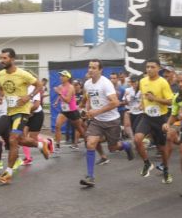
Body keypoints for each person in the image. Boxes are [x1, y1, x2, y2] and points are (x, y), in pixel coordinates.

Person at [0, 48, 51, 184]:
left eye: (5, 58)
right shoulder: (1, 74)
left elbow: (39, 86)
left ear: (12, 59)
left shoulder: (22, 74)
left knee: (13, 139)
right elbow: (1, 88)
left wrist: (29, 96)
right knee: (18, 140)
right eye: (1, 58)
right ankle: (40, 145)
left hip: (23, 111)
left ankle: (8, 173)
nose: (2, 61)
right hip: (10, 112)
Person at [79, 59, 134, 187]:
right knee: (90, 143)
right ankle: (90, 177)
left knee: (113, 148)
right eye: (89, 67)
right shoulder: (87, 84)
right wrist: (85, 109)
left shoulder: (106, 83)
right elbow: (87, 98)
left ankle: (126, 146)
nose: (90, 70)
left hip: (111, 121)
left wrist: (97, 111)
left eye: (94, 68)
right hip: (97, 121)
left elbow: (115, 102)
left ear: (100, 70)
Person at [134, 59, 174, 183]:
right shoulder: (142, 81)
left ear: (158, 68)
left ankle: (166, 170)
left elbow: (170, 101)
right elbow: (143, 97)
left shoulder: (163, 83)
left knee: (162, 149)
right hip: (147, 117)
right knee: (137, 139)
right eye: (147, 67)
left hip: (159, 119)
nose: (149, 69)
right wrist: (142, 104)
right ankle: (147, 163)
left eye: (152, 67)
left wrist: (155, 98)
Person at [53, 70, 85, 156]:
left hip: (72, 111)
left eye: (63, 76)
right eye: (60, 76)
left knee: (79, 129)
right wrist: (57, 101)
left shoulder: (71, 87)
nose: (61, 77)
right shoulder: (60, 86)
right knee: (57, 126)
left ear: (67, 78)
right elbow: (60, 96)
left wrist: (59, 93)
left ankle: (87, 141)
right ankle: (57, 146)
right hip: (64, 111)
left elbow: (67, 100)